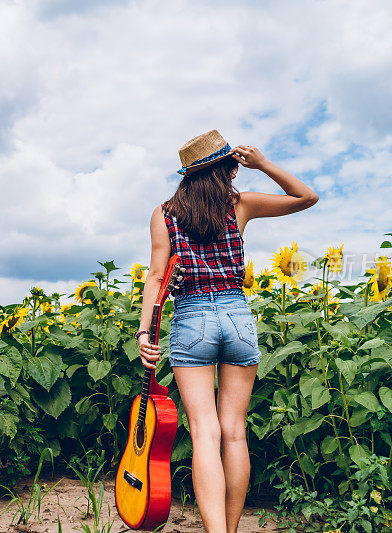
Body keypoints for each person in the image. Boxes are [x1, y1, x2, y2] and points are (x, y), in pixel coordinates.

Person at [135, 129, 318, 533]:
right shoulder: (240, 206)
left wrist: (145, 333)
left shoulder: (165, 213)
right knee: (234, 433)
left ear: (188, 174)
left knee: (205, 433)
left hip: (192, 318)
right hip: (237, 316)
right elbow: (306, 197)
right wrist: (265, 163)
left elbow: (154, 275)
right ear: (228, 169)